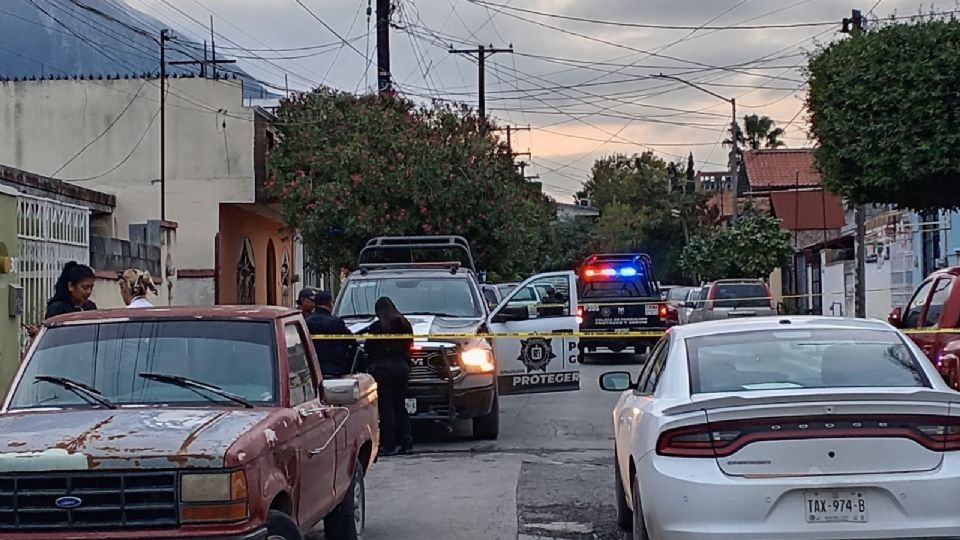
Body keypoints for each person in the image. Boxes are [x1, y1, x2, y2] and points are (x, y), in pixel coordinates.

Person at [363, 297, 414, 456]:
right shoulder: (405, 325)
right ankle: (407, 443)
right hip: (401, 368)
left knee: (386, 408)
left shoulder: (376, 327)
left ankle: (389, 445)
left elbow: (368, 348)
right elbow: (410, 344)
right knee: (400, 406)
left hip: (382, 369)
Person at [305, 291, 355, 378]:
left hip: (312, 370)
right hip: (335, 370)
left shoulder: (306, 322)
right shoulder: (336, 323)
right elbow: (351, 342)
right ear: (329, 304)